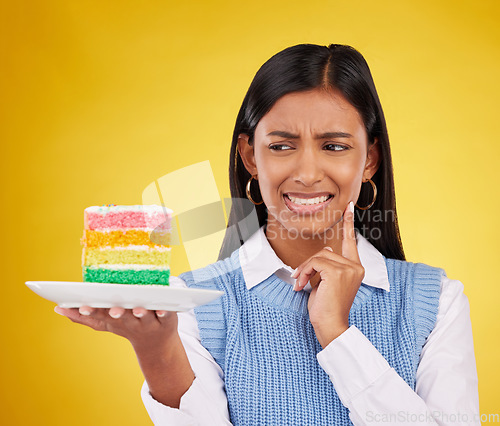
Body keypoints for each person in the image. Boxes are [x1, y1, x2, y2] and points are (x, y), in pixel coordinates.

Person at [56, 44, 480, 425]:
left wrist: (337, 331)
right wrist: (155, 348)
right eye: (281, 146)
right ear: (250, 156)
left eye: (334, 146)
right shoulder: (190, 305)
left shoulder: (436, 302)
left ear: (369, 160)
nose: (308, 173)